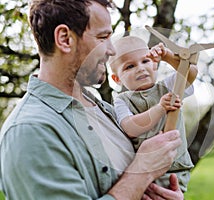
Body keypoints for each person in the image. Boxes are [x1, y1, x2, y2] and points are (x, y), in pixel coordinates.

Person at [0, 0, 185, 199]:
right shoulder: (30, 132)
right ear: (64, 39)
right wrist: (142, 171)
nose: (112, 50)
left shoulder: (106, 111)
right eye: (103, 37)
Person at [108, 36, 198, 192]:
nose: (140, 68)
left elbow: (190, 72)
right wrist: (160, 108)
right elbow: (130, 127)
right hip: (147, 171)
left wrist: (167, 56)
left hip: (176, 166)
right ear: (117, 79)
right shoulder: (121, 100)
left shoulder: (168, 86)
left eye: (145, 61)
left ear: (155, 64)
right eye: (129, 66)